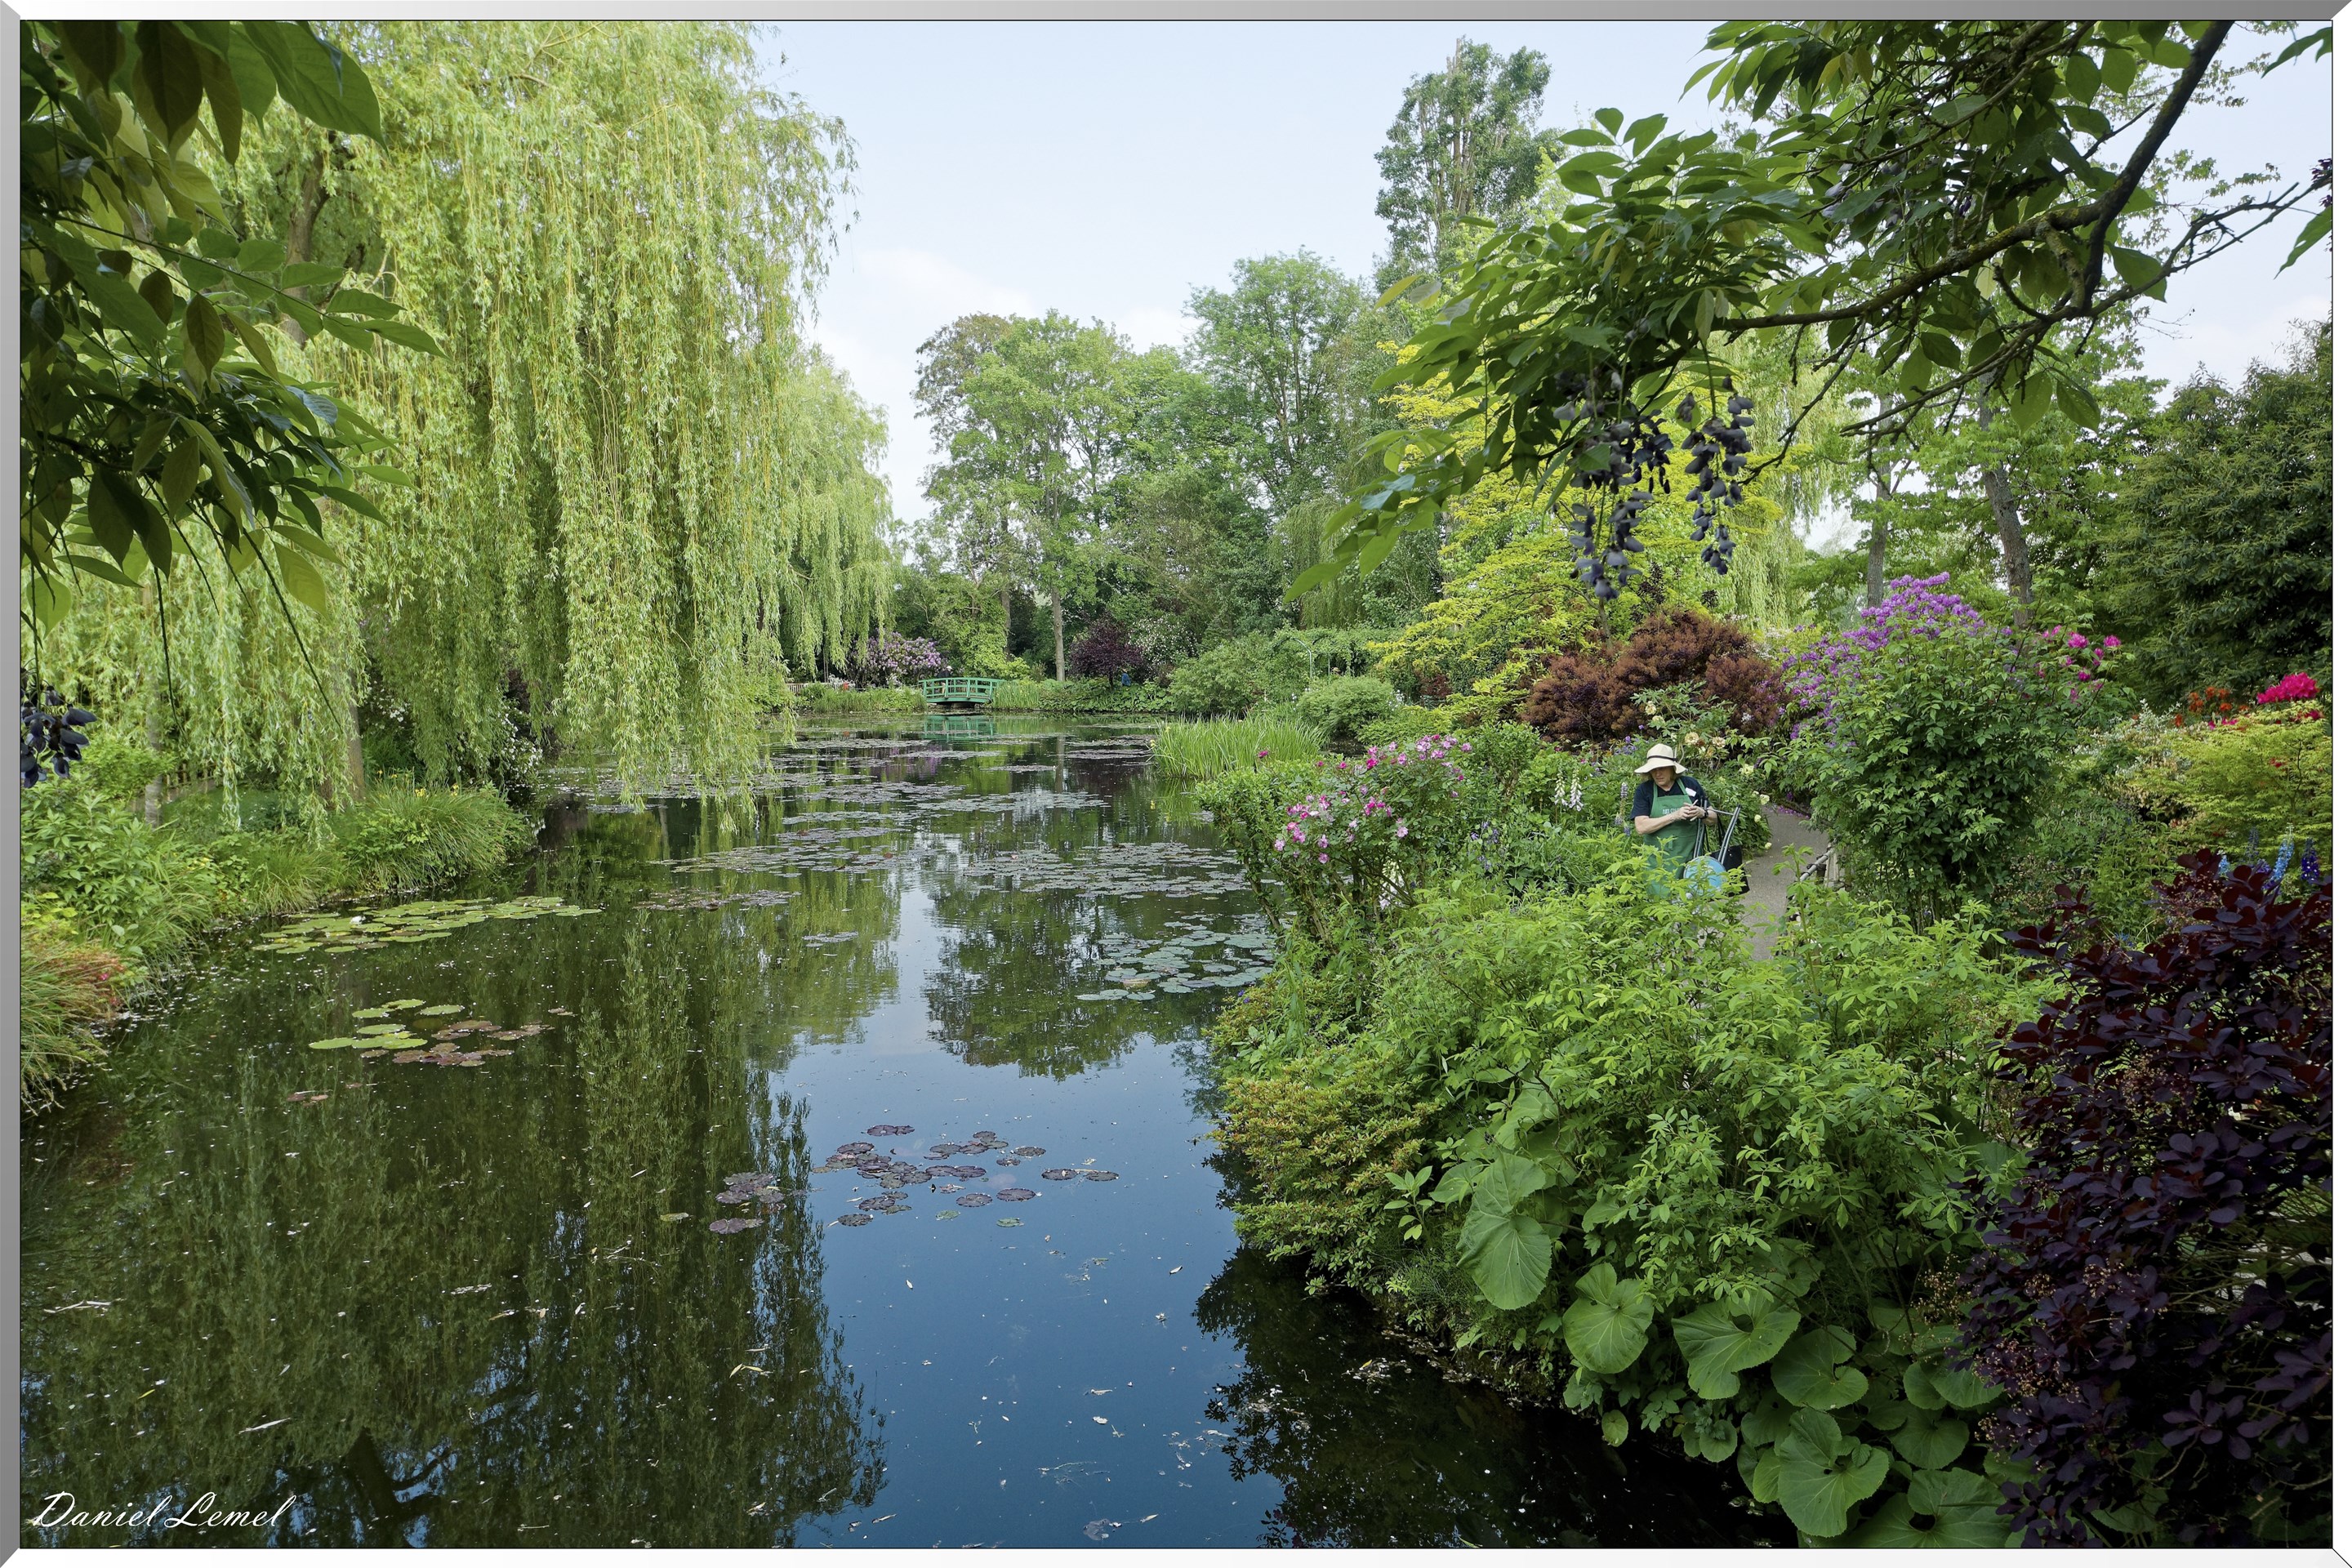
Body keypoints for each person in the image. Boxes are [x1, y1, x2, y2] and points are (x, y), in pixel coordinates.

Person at [1630, 742, 1718, 874]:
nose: (1657, 773)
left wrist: (1702, 813)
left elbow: (1714, 818)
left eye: (1662, 768)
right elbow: (1642, 827)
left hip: (1691, 860)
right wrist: (1674, 816)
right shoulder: (1645, 790)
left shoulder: (1690, 784)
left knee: (1691, 893)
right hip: (1656, 864)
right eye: (1653, 769)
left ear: (1672, 769)